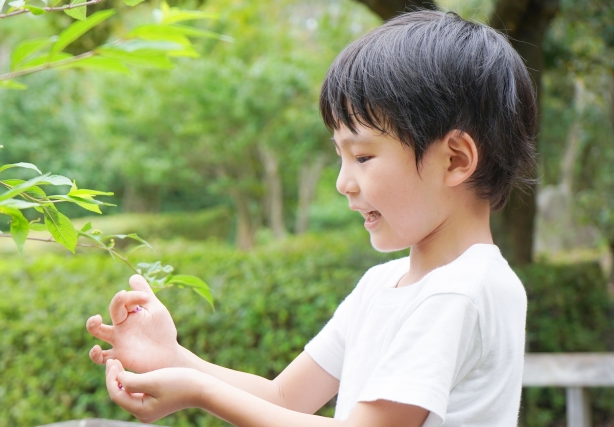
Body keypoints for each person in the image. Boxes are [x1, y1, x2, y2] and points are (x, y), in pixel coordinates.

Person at [86, 9, 536, 427]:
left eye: (362, 156)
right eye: (340, 156)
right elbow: (282, 398)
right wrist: (173, 358)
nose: (344, 182)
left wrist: (201, 390)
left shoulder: (463, 291)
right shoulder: (383, 285)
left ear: (455, 159)